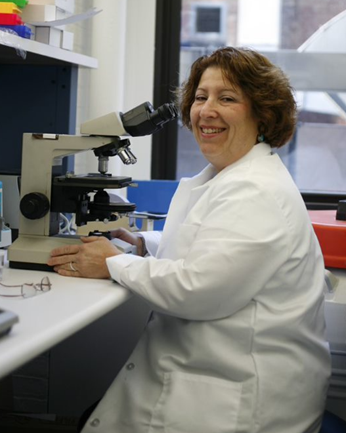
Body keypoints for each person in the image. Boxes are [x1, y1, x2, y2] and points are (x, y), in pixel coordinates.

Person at [47, 47, 331, 433]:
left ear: (262, 112)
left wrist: (113, 262)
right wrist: (144, 243)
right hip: (218, 375)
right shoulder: (234, 175)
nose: (205, 110)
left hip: (238, 401)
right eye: (200, 97)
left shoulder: (256, 191)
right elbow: (215, 245)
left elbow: (199, 289)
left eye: (226, 98)